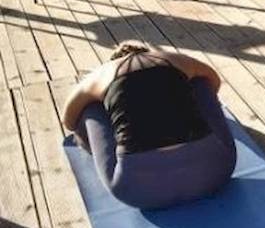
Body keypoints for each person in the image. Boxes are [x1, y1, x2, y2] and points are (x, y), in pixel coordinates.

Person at [62, 42, 236, 210]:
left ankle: (102, 147)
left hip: (136, 191)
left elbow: (69, 120)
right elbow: (213, 81)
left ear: (113, 60)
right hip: (216, 172)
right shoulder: (173, 58)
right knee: (200, 82)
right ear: (147, 51)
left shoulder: (100, 75)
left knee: (89, 107)